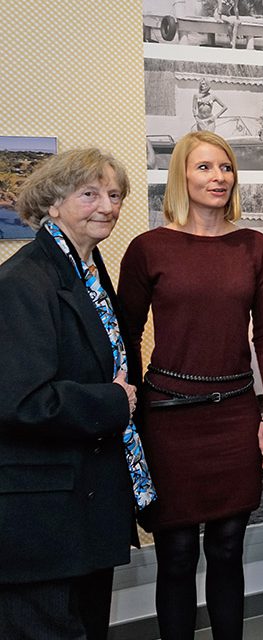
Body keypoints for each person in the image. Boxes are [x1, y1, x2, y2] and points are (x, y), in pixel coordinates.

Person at [121, 131, 263, 640]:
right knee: (175, 554)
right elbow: (124, 334)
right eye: (205, 168)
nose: (218, 178)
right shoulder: (149, 247)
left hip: (235, 413)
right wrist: (125, 408)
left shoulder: (255, 246)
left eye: (226, 168)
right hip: (168, 418)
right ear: (182, 177)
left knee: (229, 549)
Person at [0, 149, 154, 639]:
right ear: (52, 204)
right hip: (42, 518)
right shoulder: (22, 281)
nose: (105, 206)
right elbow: (21, 401)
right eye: (89, 194)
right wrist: (115, 402)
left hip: (84, 502)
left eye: (113, 195)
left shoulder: (88, 273)